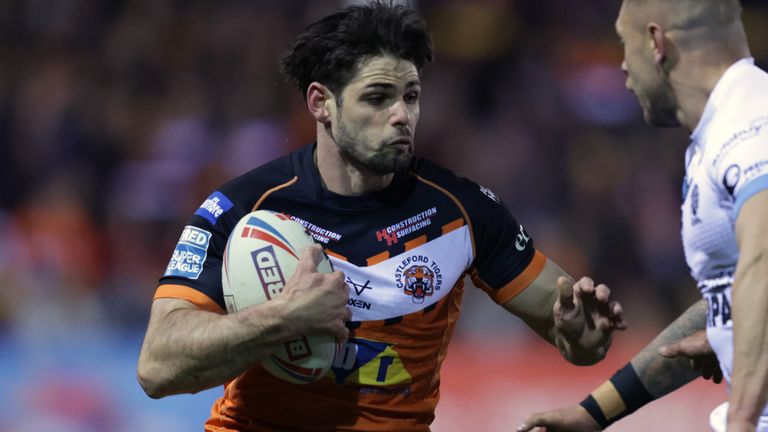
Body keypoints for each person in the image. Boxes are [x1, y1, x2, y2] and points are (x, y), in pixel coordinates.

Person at [136, 2, 626, 431]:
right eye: (378, 97)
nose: (402, 115)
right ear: (320, 103)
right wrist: (282, 319)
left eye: (410, 96)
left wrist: (585, 336)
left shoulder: (462, 211)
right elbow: (158, 368)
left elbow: (575, 340)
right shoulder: (243, 207)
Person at [518, 0, 768, 431]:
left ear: (656, 42)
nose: (623, 70)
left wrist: (743, 420)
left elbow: (764, 263)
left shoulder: (749, 129)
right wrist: (594, 413)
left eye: (624, 45)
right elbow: (732, 298)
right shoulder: (725, 130)